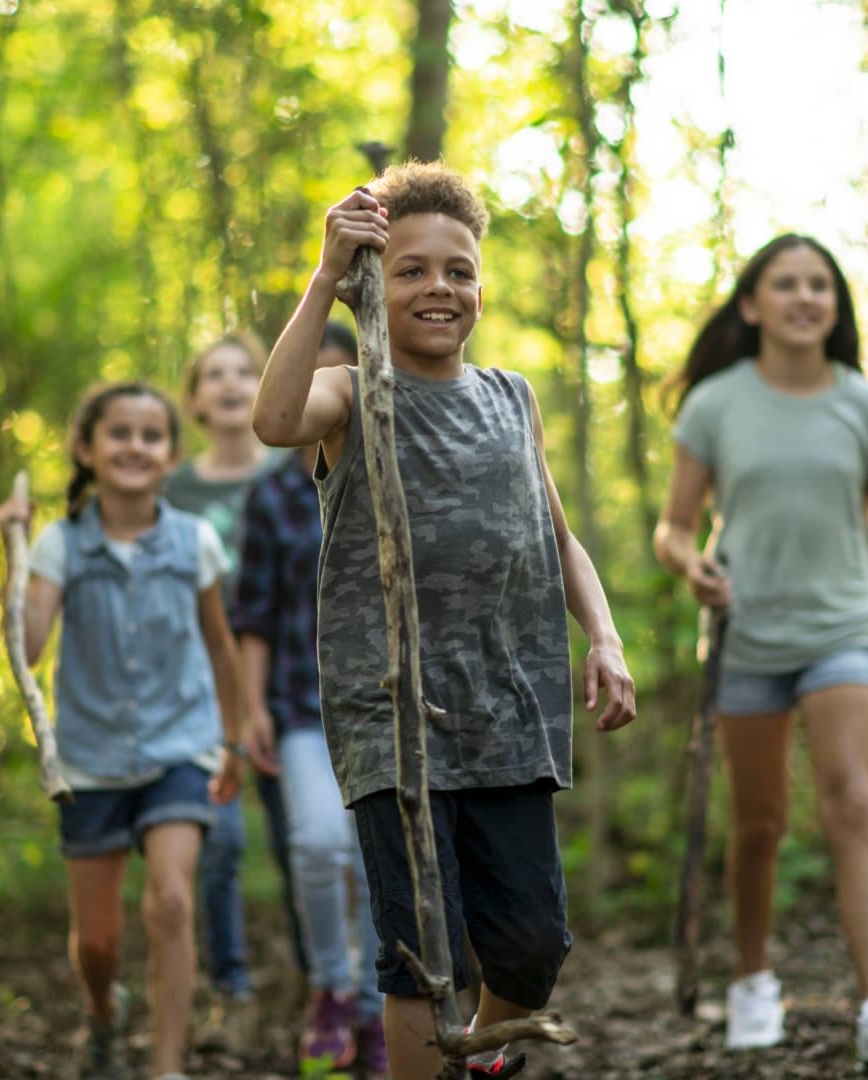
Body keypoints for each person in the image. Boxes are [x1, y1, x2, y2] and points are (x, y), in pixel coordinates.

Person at [252, 162, 638, 1080]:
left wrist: (607, 637)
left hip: (509, 713)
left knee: (534, 947)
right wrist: (322, 280)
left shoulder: (514, 399)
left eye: (458, 270)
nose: (438, 288)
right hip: (394, 720)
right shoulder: (351, 392)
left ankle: (479, 1064)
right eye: (411, 269)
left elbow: (558, 538)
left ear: (481, 285)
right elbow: (272, 419)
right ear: (372, 288)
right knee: (427, 956)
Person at [652, 235, 868, 1070]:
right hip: (746, 636)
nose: (805, 297)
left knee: (852, 799)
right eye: (786, 284)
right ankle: (752, 980)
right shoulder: (715, 404)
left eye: (820, 285)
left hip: (844, 629)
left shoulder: (864, 406)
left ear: (835, 305)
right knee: (759, 823)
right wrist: (688, 561)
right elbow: (672, 526)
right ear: (753, 305)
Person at [0, 381, 247, 1080]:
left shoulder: (194, 541)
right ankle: (104, 1010)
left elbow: (221, 646)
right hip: (91, 758)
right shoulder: (58, 543)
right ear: (86, 449)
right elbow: (31, 643)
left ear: (170, 454)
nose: (135, 446)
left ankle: (168, 1069)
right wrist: (15, 551)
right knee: (97, 942)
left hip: (180, 747)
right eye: (119, 433)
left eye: (151, 435)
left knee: (170, 901)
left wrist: (233, 739)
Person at [231, 322, 388, 1076]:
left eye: (340, 380)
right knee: (321, 842)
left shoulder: (391, 470)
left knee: (373, 859)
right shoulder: (271, 498)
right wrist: (250, 706)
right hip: (299, 703)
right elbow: (254, 611)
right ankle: (330, 985)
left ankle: (373, 1003)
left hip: (386, 705)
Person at [160, 332, 303, 1040]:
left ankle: (325, 987)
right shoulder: (172, 489)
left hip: (292, 690)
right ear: (193, 401)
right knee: (218, 846)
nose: (230, 383)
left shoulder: (295, 469)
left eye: (245, 371)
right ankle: (232, 990)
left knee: (301, 843)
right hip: (198, 696)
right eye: (213, 375)